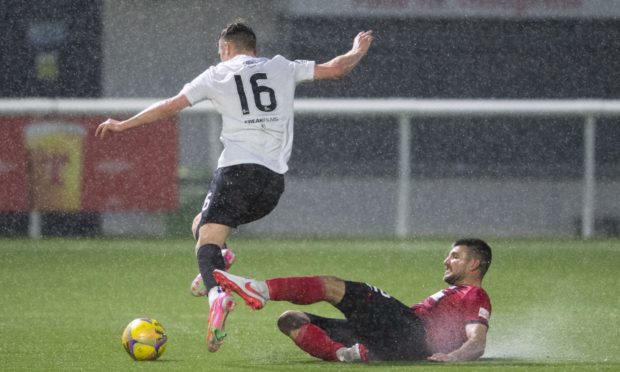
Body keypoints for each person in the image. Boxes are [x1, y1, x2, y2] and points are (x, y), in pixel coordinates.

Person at [95, 21, 374, 352]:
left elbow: (170, 106)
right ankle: (219, 264)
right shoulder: (282, 67)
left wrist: (123, 124)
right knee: (200, 226)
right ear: (253, 47)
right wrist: (359, 48)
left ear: (227, 48)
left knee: (206, 241)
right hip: (272, 185)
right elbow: (337, 69)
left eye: (220, 50)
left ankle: (217, 296)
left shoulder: (217, 73)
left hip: (236, 171)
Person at [213, 238, 492, 363]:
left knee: (333, 286)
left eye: (455, 256)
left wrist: (452, 358)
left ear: (474, 265)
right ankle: (345, 354)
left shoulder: (474, 294)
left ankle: (261, 290)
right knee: (291, 320)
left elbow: (477, 341)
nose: (446, 261)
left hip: (410, 332)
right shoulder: (455, 295)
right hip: (391, 340)